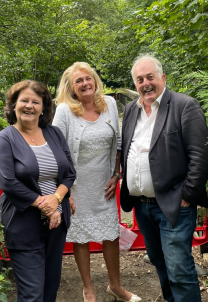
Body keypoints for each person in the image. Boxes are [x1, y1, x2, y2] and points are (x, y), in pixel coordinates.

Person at [120, 55, 208, 302]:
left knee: (180, 270)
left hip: (173, 204)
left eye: (150, 77)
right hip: (142, 205)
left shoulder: (184, 106)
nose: (145, 83)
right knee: (160, 261)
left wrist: (187, 195)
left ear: (163, 77)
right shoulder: (131, 109)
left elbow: (202, 155)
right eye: (139, 79)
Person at [52, 62, 141, 302]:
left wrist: (116, 174)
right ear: (71, 87)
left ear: (95, 80)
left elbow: (119, 144)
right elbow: (57, 151)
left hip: (105, 183)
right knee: (80, 237)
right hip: (76, 185)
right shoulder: (64, 110)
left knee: (110, 234)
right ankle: (88, 289)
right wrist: (65, 191)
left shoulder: (110, 104)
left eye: (87, 78)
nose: (85, 84)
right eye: (78, 81)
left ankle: (115, 286)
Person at [0, 80, 76, 302]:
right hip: (23, 225)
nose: (29, 106)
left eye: (35, 102)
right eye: (24, 101)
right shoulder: (5, 138)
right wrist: (46, 206)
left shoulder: (54, 133)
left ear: (43, 108)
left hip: (56, 225)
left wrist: (57, 198)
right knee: (32, 295)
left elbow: (69, 173)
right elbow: (9, 182)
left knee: (50, 289)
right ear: (13, 105)